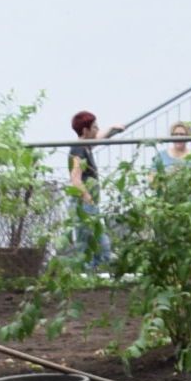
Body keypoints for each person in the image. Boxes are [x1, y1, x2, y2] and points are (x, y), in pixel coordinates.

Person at [66, 111, 106, 266]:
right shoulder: (78, 149)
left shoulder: (85, 147)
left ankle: (92, 277)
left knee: (100, 245)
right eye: (95, 127)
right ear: (85, 131)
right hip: (84, 204)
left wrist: (114, 128)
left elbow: (101, 136)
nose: (97, 130)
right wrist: (88, 197)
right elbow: (75, 179)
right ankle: (86, 279)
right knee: (87, 245)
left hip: (89, 204)